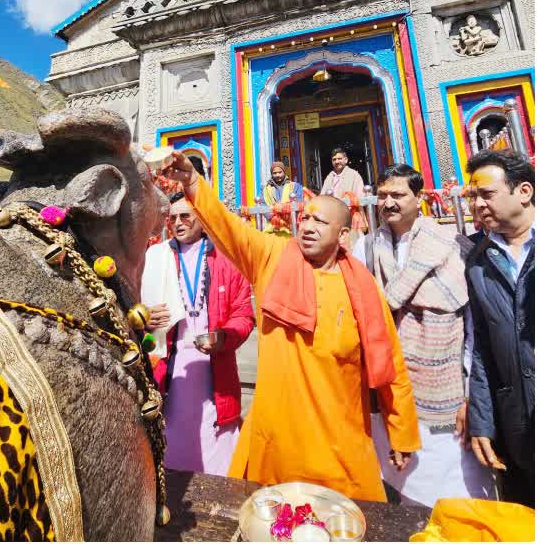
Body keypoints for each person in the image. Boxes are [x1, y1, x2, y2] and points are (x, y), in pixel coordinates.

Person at [159, 149, 420, 502]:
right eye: (306, 218)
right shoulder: (272, 257)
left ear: (343, 234)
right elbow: (229, 227)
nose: (308, 226)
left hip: (339, 437)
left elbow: (389, 361)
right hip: (278, 436)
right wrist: (192, 181)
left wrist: (401, 431)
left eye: (320, 222)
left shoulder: (362, 287)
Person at [359, 164, 494, 507]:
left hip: (445, 392)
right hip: (394, 385)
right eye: (383, 195)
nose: (388, 203)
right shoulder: (368, 248)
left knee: (456, 497)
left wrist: (469, 393)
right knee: (404, 495)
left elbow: (473, 329)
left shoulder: (452, 246)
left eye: (398, 195)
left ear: (418, 198)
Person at [141, 192, 254, 475]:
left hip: (216, 365)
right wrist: (144, 316)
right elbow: (131, 306)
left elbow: (243, 314)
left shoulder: (227, 260)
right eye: (172, 218)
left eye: (185, 217)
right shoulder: (154, 257)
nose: (177, 223)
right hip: (170, 366)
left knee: (218, 448)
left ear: (203, 220)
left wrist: (224, 337)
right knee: (172, 445)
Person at [463, 150, 534, 507]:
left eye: (486, 195)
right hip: (517, 424)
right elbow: (483, 349)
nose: (476, 204)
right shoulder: (478, 263)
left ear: (523, 191)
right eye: (472, 197)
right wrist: (482, 421)